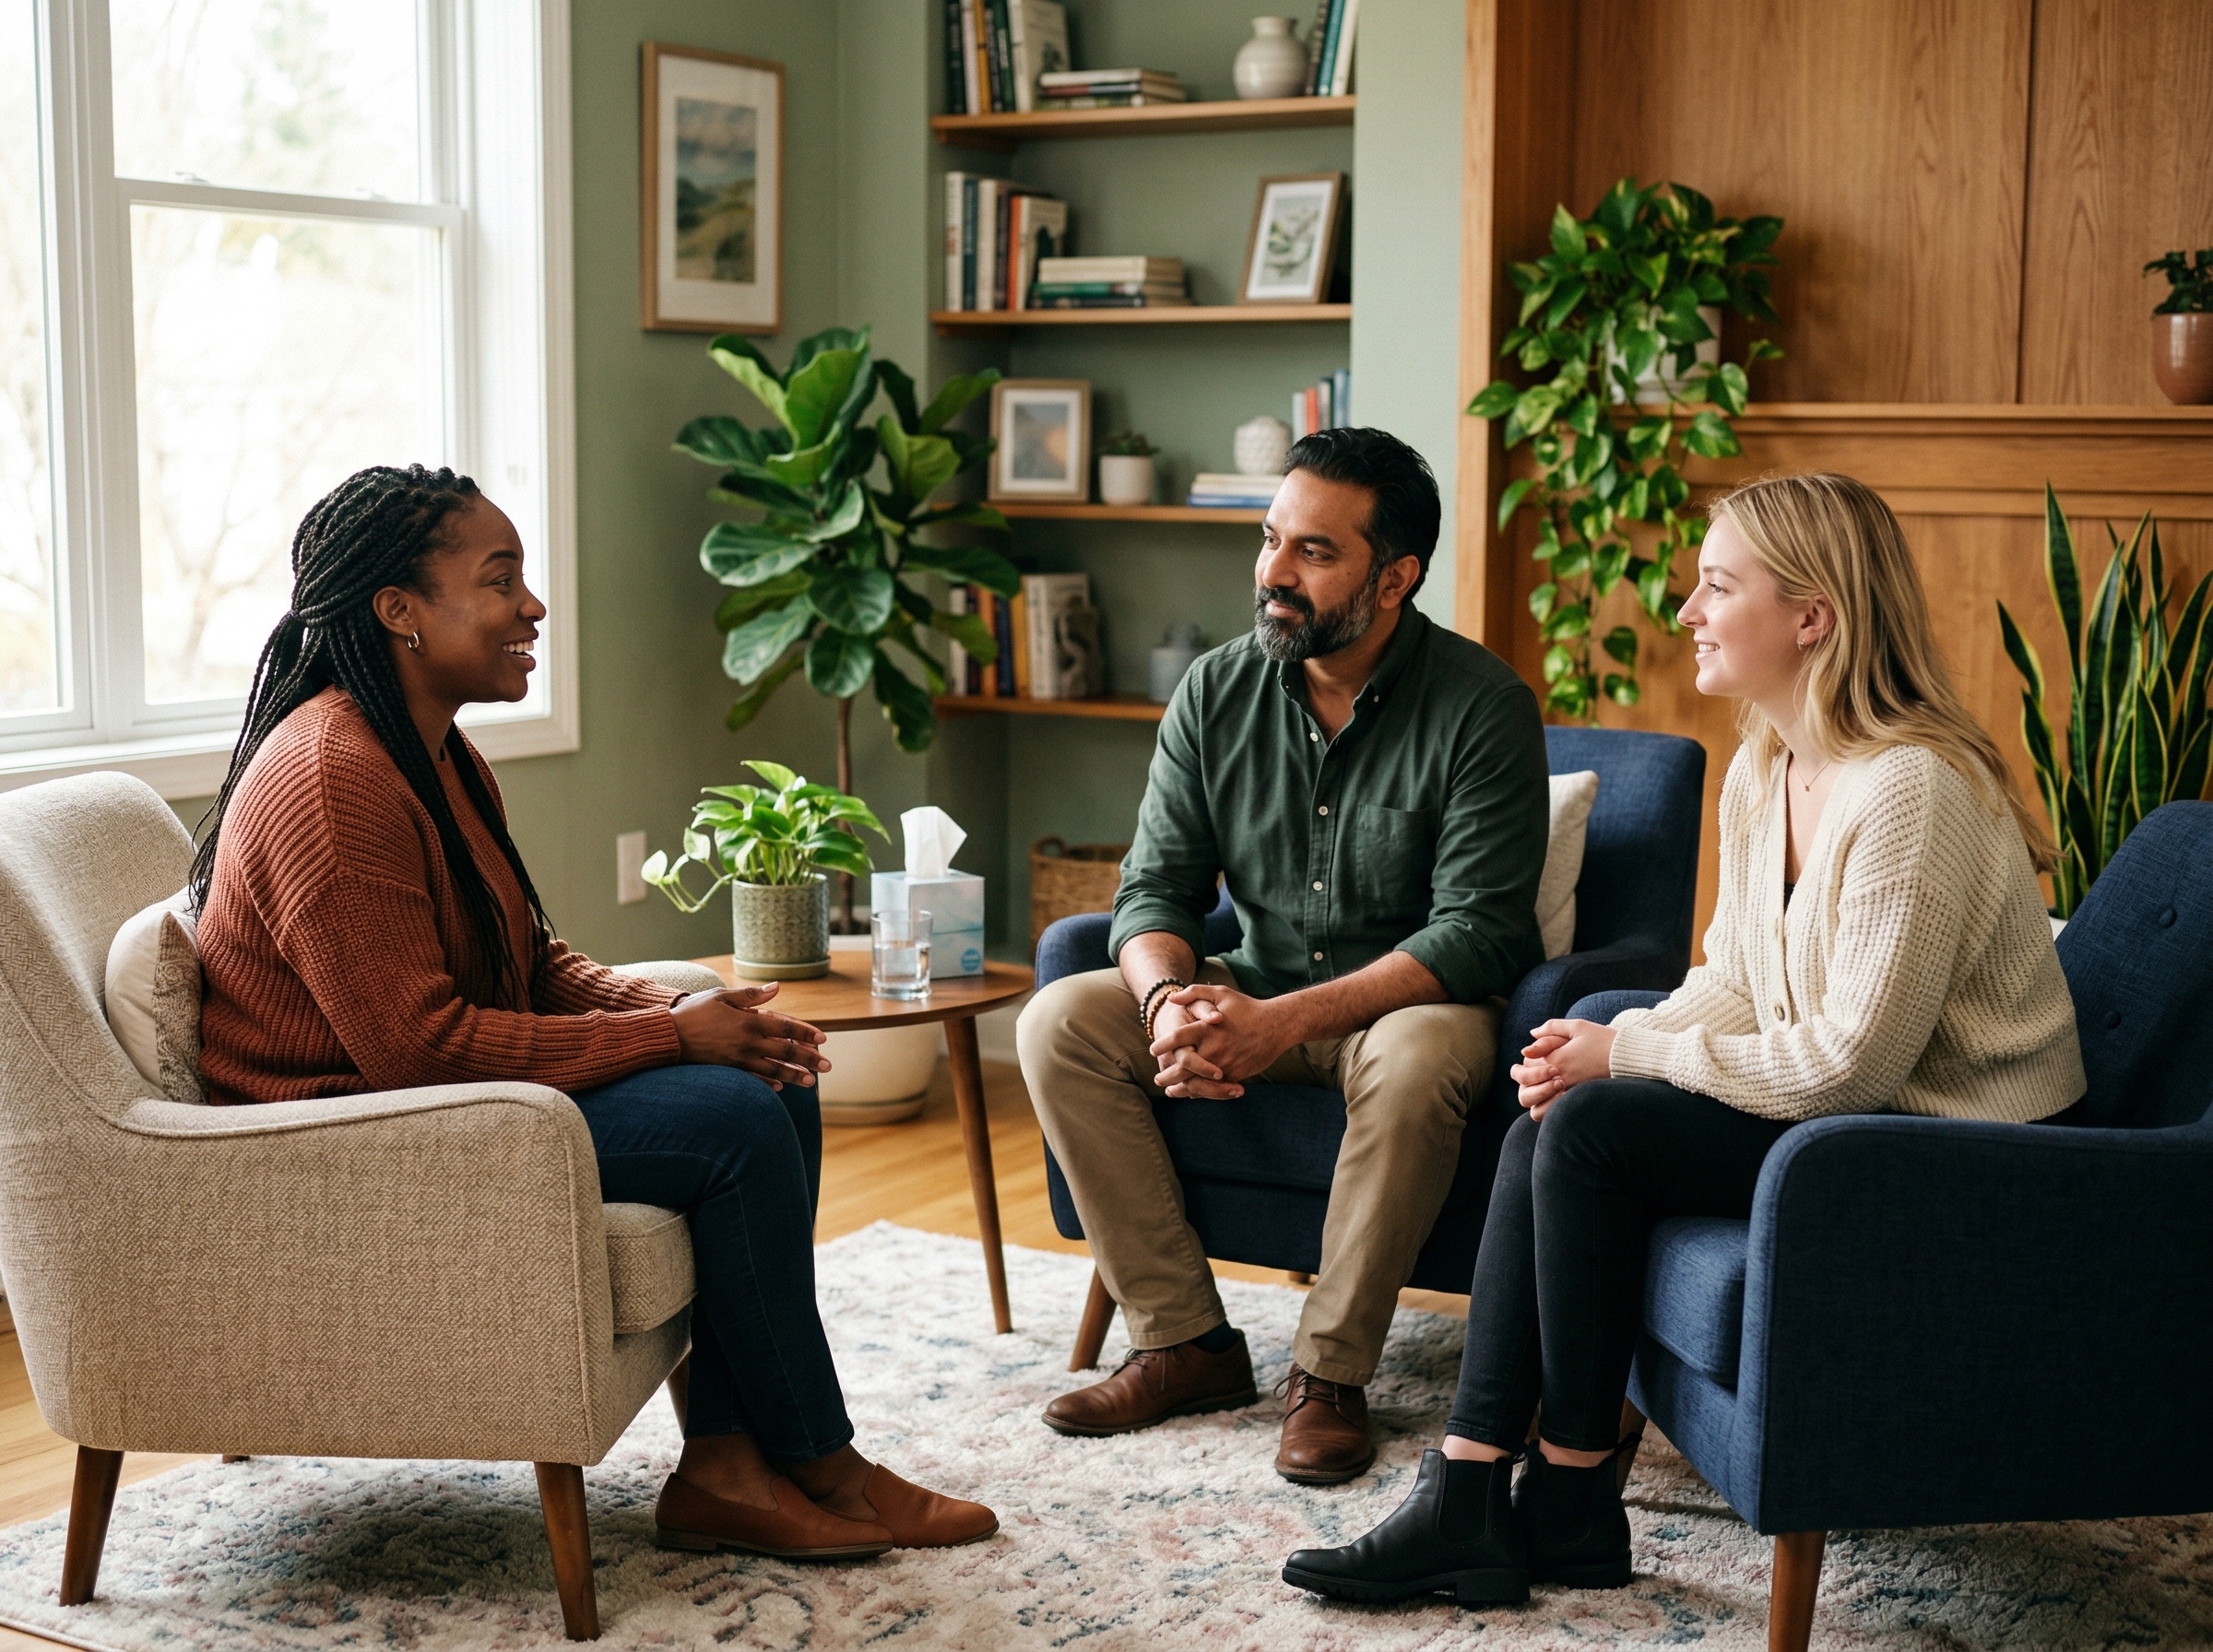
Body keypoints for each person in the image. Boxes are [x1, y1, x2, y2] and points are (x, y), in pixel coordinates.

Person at [1284, 470, 2086, 1607]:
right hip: (1866, 1119)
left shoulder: (1912, 791)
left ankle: (1532, 1499)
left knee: (1600, 1111)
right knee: (1564, 1104)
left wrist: (1636, 1054)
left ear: (1812, 617)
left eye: (1717, 587)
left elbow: (1849, 1063)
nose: (1687, 613)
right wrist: (1605, 1042)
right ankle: (1515, 1495)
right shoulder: (1770, 761)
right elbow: (1739, 981)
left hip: (1964, 1155)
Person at [193, 464, 997, 1562]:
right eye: (501, 578)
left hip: (430, 1100)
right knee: (731, 1123)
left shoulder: (433, 753)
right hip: (340, 1138)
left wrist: (690, 1005)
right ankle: (820, 1458)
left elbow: (527, 959)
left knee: (767, 1076)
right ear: (400, 611)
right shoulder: (334, 779)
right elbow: (415, 1050)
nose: (532, 606)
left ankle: (723, 1465)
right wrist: (668, 1034)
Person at [1017, 428, 1551, 1485]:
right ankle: (1183, 1342)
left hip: (1402, 1008)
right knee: (1061, 1019)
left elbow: (1477, 929)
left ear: (1393, 577)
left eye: (1313, 552)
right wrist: (1171, 998)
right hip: (1247, 983)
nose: (1273, 572)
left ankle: (1330, 1376)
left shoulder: (1482, 706)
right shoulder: (1217, 692)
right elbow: (1155, 889)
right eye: (1270, 540)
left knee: (1421, 1058)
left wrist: (1284, 1022)